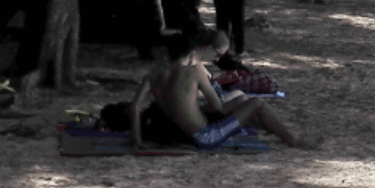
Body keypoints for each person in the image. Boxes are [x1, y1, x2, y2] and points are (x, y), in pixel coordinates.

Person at [130, 28, 311, 150]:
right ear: (193, 51)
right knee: (255, 103)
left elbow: (135, 107)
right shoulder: (193, 72)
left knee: (243, 104)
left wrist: (137, 142)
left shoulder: (154, 73)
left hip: (179, 132)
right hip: (205, 137)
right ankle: (292, 140)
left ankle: (275, 130)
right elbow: (218, 107)